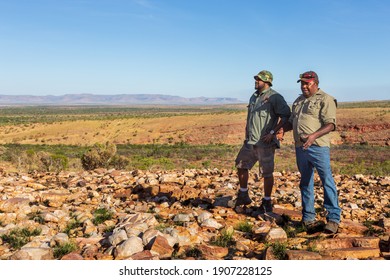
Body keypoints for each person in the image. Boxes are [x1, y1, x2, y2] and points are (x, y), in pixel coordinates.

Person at [285, 70, 341, 234]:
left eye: (307, 83)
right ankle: (308, 218)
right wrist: (280, 130)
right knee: (306, 182)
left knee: (326, 180)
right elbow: (290, 122)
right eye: (301, 83)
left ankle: (333, 219)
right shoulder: (298, 101)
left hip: (318, 147)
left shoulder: (325, 99)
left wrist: (313, 136)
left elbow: (330, 124)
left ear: (315, 83)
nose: (304, 86)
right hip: (300, 148)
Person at [234, 70, 291, 214]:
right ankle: (243, 194)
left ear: (266, 81)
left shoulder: (274, 97)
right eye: (256, 79)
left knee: (266, 173)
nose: (255, 81)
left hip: (265, 142)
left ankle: (266, 201)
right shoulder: (254, 97)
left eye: (258, 79)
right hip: (250, 141)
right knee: (240, 164)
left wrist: (273, 132)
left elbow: (286, 116)